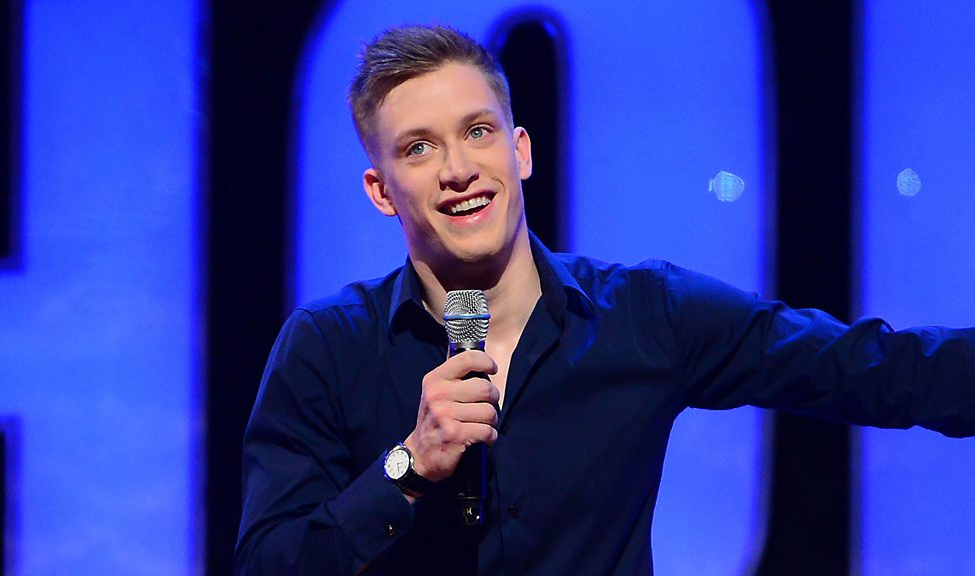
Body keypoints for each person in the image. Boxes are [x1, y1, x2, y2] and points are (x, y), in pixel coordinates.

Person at [235, 24, 975, 575]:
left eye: (478, 132)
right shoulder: (328, 346)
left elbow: (873, 367)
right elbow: (269, 563)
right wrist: (408, 466)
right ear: (381, 191)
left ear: (520, 151)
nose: (458, 169)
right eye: (419, 148)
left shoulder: (646, 317)